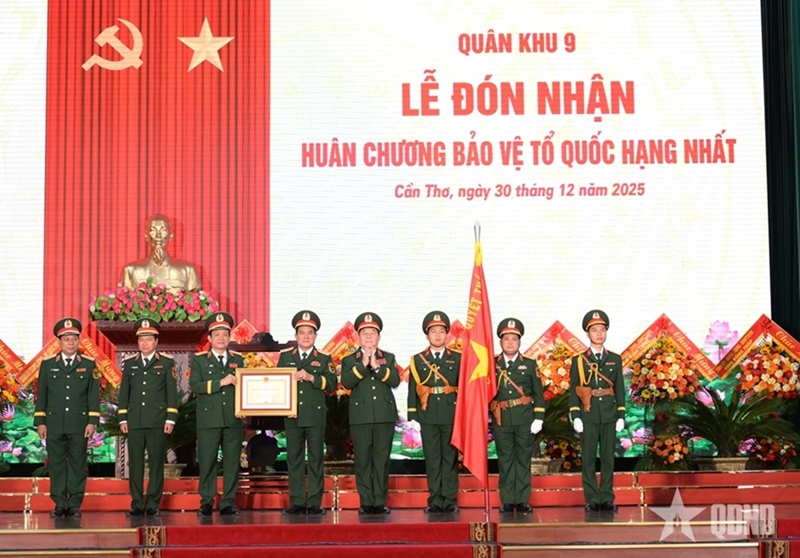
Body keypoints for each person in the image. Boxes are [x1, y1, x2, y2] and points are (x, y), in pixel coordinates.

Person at [34, 318, 101, 518]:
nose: (70, 342)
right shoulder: (47, 365)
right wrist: (40, 422)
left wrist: (92, 421)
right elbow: (42, 395)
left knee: (78, 464)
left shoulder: (89, 364)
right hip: (54, 423)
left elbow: (93, 395)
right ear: (59, 342)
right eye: (66, 339)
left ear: (78, 340)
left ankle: (74, 503)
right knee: (55, 464)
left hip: (79, 423)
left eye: (74, 339)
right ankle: (60, 503)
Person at [340, 312, 400, 515]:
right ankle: (366, 501)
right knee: (363, 460)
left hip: (384, 416)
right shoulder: (350, 360)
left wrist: (377, 366)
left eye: (372, 333)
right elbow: (347, 382)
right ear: (358, 337)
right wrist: (364, 365)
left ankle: (379, 501)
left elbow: (395, 381)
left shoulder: (388, 358)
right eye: (364, 333)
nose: (368, 336)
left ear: (379, 337)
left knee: (381, 460)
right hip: (361, 417)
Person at [277, 310, 336, 516]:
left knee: (315, 459)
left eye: (310, 333)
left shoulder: (324, 358)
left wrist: (312, 378)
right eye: (302, 332)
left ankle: (314, 502)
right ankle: (297, 502)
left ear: (315, 336)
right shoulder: (286, 357)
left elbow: (332, 383)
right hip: (292, 415)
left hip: (314, 415)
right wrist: (285, 406)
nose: (305, 336)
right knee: (293, 459)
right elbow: (279, 385)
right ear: (296, 335)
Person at [118, 318, 178, 517]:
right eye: (141, 339)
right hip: (134, 420)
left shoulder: (166, 363)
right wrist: (123, 418)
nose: (145, 343)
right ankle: (136, 502)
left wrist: (170, 418)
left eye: (149, 339)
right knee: (135, 464)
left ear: (156, 341)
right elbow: (124, 393)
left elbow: (171, 393)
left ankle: (153, 503)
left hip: (158, 421)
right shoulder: (130, 364)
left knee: (156, 463)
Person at [569, 309, 626, 512]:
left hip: (609, 414)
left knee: (609, 458)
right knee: (589, 459)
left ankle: (607, 497)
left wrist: (621, 414)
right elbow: (574, 390)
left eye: (602, 329)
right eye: (594, 330)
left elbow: (619, 388)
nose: (599, 334)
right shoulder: (578, 360)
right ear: (587, 333)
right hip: (589, 413)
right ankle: (592, 497)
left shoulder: (615, 359)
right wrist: (576, 415)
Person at [189, 311, 244, 516]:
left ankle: (228, 501)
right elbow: (195, 385)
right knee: (207, 461)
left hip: (233, 418)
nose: (221, 338)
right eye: (217, 335)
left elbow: (246, 388)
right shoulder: (200, 360)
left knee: (232, 463)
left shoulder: (238, 360)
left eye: (225, 334)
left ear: (230, 337)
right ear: (210, 338)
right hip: (209, 419)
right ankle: (206, 501)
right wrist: (221, 382)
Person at [407, 311, 460, 514]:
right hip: (427, 414)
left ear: (447, 334)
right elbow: (413, 389)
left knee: (449, 458)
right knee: (432, 458)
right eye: (433, 331)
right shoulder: (418, 360)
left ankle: (449, 499)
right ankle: (435, 499)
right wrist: (413, 416)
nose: (437, 335)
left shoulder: (458, 358)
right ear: (427, 335)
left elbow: (464, 390)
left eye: (441, 331)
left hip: (450, 414)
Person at [490, 318, 545, 515]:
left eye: (514, 339)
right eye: (506, 339)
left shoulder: (529, 364)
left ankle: (522, 500)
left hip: (524, 420)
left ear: (520, 342)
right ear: (500, 342)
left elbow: (538, 393)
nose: (510, 343)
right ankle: (506, 500)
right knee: (505, 460)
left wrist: (538, 417)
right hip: (502, 419)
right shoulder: (492, 365)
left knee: (523, 460)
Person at [120, 214, 201, 293]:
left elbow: (196, 298)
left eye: (163, 230)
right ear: (146, 235)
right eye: (153, 230)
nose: (158, 235)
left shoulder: (187, 270)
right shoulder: (131, 270)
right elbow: (122, 298)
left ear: (171, 235)